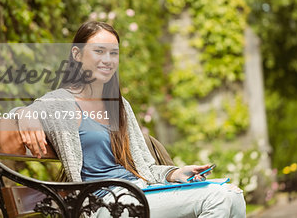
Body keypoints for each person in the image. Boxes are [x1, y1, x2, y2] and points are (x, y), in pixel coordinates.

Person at [16, 21, 246, 217]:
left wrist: (174, 173)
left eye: (113, 53)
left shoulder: (119, 105)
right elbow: (17, 113)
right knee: (218, 198)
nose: (108, 59)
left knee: (233, 194)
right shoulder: (61, 102)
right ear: (77, 54)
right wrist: (25, 115)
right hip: (106, 205)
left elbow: (143, 168)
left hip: (140, 192)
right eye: (99, 51)